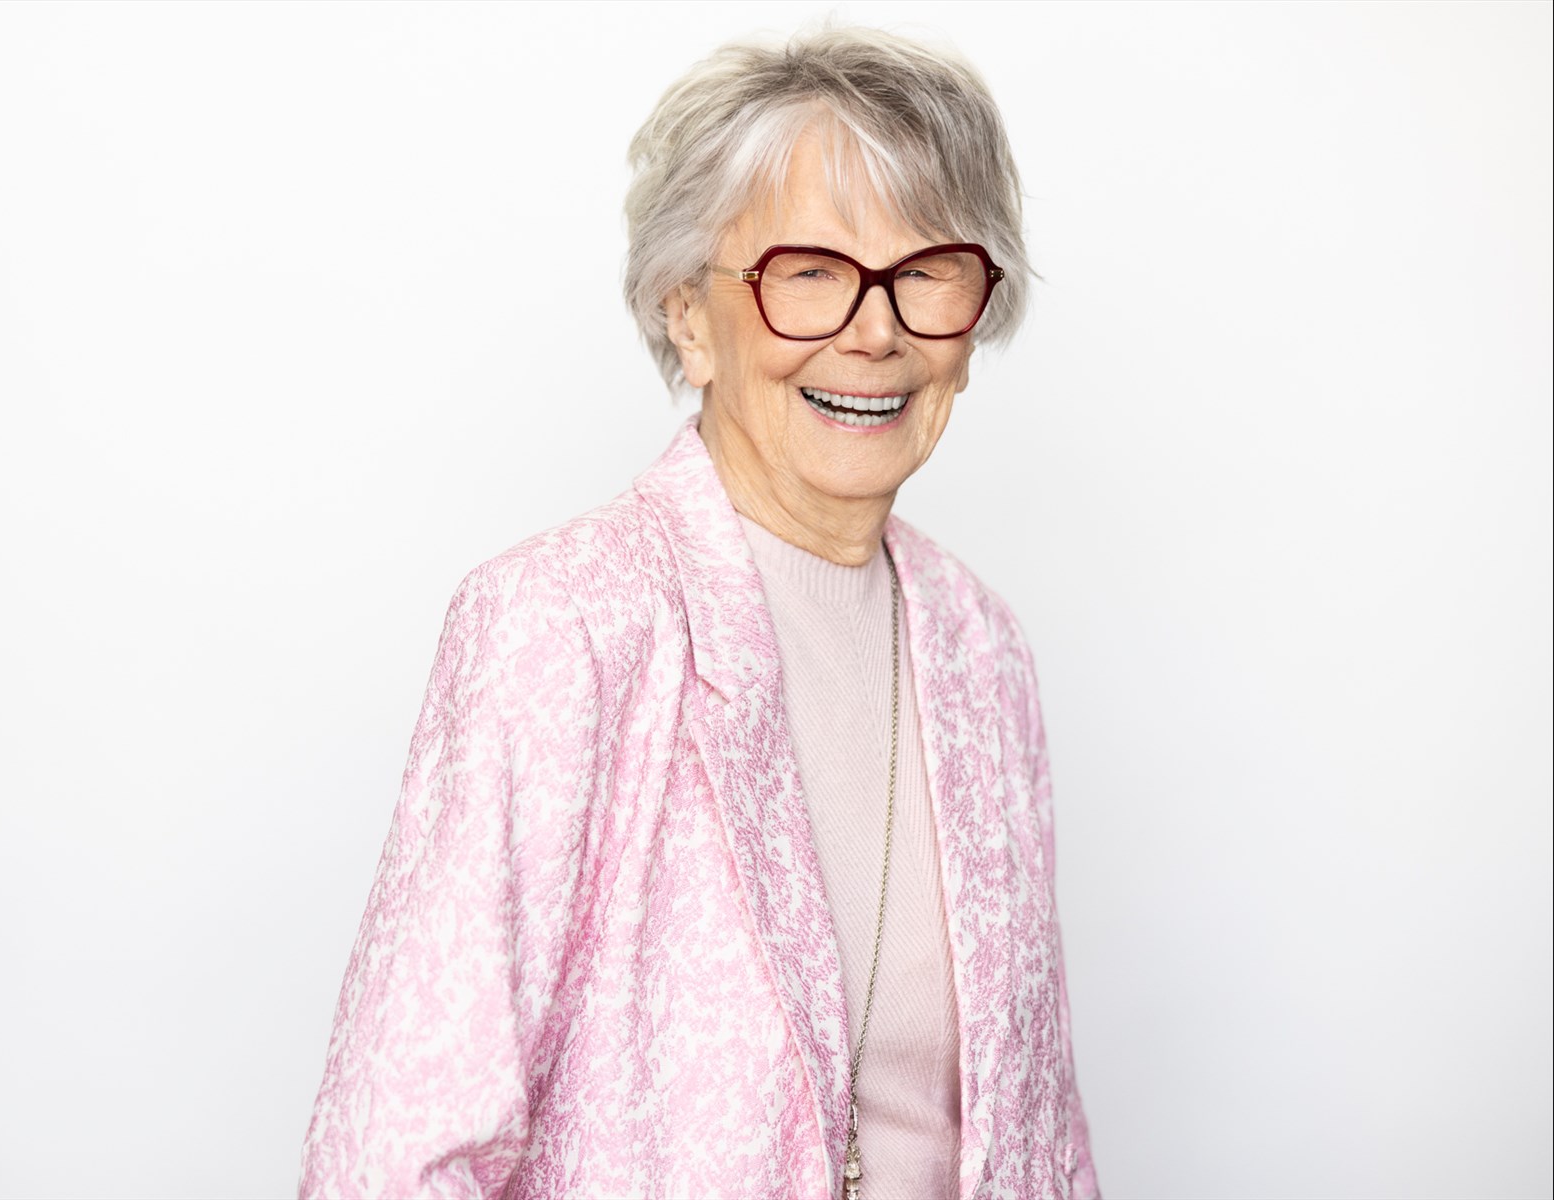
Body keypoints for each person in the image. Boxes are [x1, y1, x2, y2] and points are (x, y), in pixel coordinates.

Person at [300, 25, 1097, 1200]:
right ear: (688, 314)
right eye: (809, 272)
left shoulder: (983, 652)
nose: (874, 330)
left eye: (927, 271)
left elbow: (1039, 1139)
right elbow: (392, 1156)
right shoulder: (561, 625)